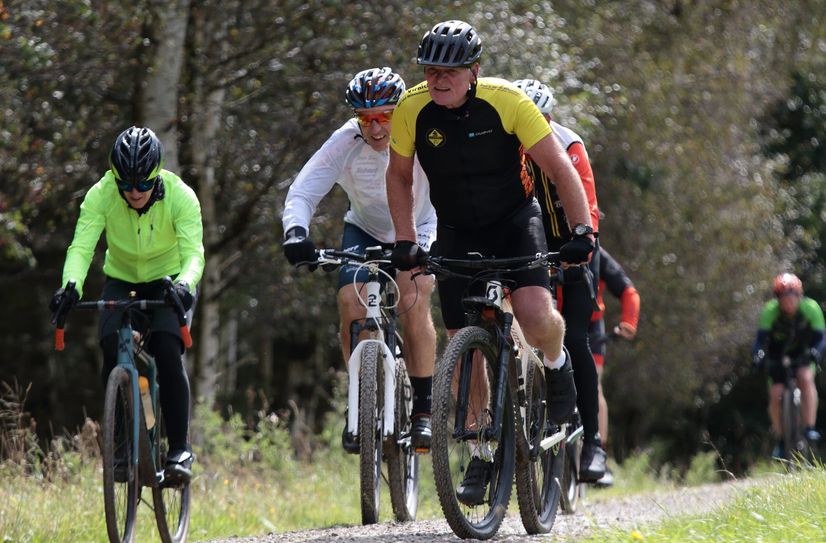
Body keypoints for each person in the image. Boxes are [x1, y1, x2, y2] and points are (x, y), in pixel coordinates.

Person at [386, 20, 595, 506]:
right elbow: (398, 177)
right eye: (431, 70)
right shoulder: (412, 109)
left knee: (538, 317)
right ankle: (481, 451)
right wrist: (404, 240)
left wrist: (582, 231)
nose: (438, 79)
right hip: (457, 229)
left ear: (474, 71)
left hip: (515, 220)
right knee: (465, 348)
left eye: (450, 71)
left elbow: (559, 167)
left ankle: (556, 363)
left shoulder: (506, 101)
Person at [282, 67, 438, 453]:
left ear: (399, 112)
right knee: (349, 300)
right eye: (366, 119)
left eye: (385, 116)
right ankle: (360, 400)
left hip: (420, 226)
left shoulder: (421, 134)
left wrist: (436, 243)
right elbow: (303, 191)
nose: (376, 128)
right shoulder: (345, 141)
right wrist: (296, 232)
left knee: (413, 295)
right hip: (364, 230)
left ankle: (423, 408)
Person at [50, 126, 204, 483]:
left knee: (167, 349)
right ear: (114, 177)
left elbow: (194, 252)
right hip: (121, 279)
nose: (134, 192)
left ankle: (179, 448)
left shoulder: (181, 196)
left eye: (142, 184)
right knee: (110, 345)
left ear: (157, 176)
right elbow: (81, 247)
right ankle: (121, 446)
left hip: (169, 281)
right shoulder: (101, 194)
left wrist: (185, 285)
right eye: (126, 184)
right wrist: (70, 286)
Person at [514, 77, 607, 482]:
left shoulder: (569, 145)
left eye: (543, 120)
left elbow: (587, 204)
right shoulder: (507, 149)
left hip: (574, 244)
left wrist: (580, 244)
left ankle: (593, 444)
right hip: (526, 242)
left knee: (575, 339)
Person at [752, 272, 824, 457]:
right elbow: (760, 340)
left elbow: (821, 336)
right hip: (778, 354)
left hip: (804, 352)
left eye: (792, 299)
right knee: (775, 395)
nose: (789, 303)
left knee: (806, 378)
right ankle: (782, 437)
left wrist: (816, 352)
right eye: (784, 300)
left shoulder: (811, 308)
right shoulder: (770, 311)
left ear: (799, 296)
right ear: (778, 300)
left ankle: (809, 427)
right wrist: (758, 355)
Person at [588, 245, 640, 486]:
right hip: (553, 321)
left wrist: (628, 322)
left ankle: (600, 452)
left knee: (593, 386)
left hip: (591, 328)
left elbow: (628, 291)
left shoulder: (598, 255)